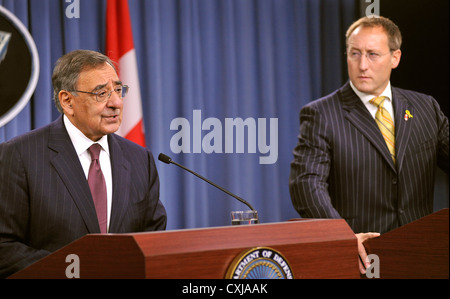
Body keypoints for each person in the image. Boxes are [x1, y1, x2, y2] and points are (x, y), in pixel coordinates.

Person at [289, 16, 449, 274]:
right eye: (355, 54)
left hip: (422, 258)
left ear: (395, 58)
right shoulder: (321, 114)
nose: (362, 64)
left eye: (373, 54)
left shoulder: (425, 107)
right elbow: (306, 185)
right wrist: (342, 237)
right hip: (361, 260)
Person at [0, 49, 167, 278]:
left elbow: (154, 239)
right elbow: (4, 247)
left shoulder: (140, 159)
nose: (116, 103)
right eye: (101, 93)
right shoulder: (20, 155)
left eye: (118, 90)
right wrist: (78, 272)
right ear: (68, 101)